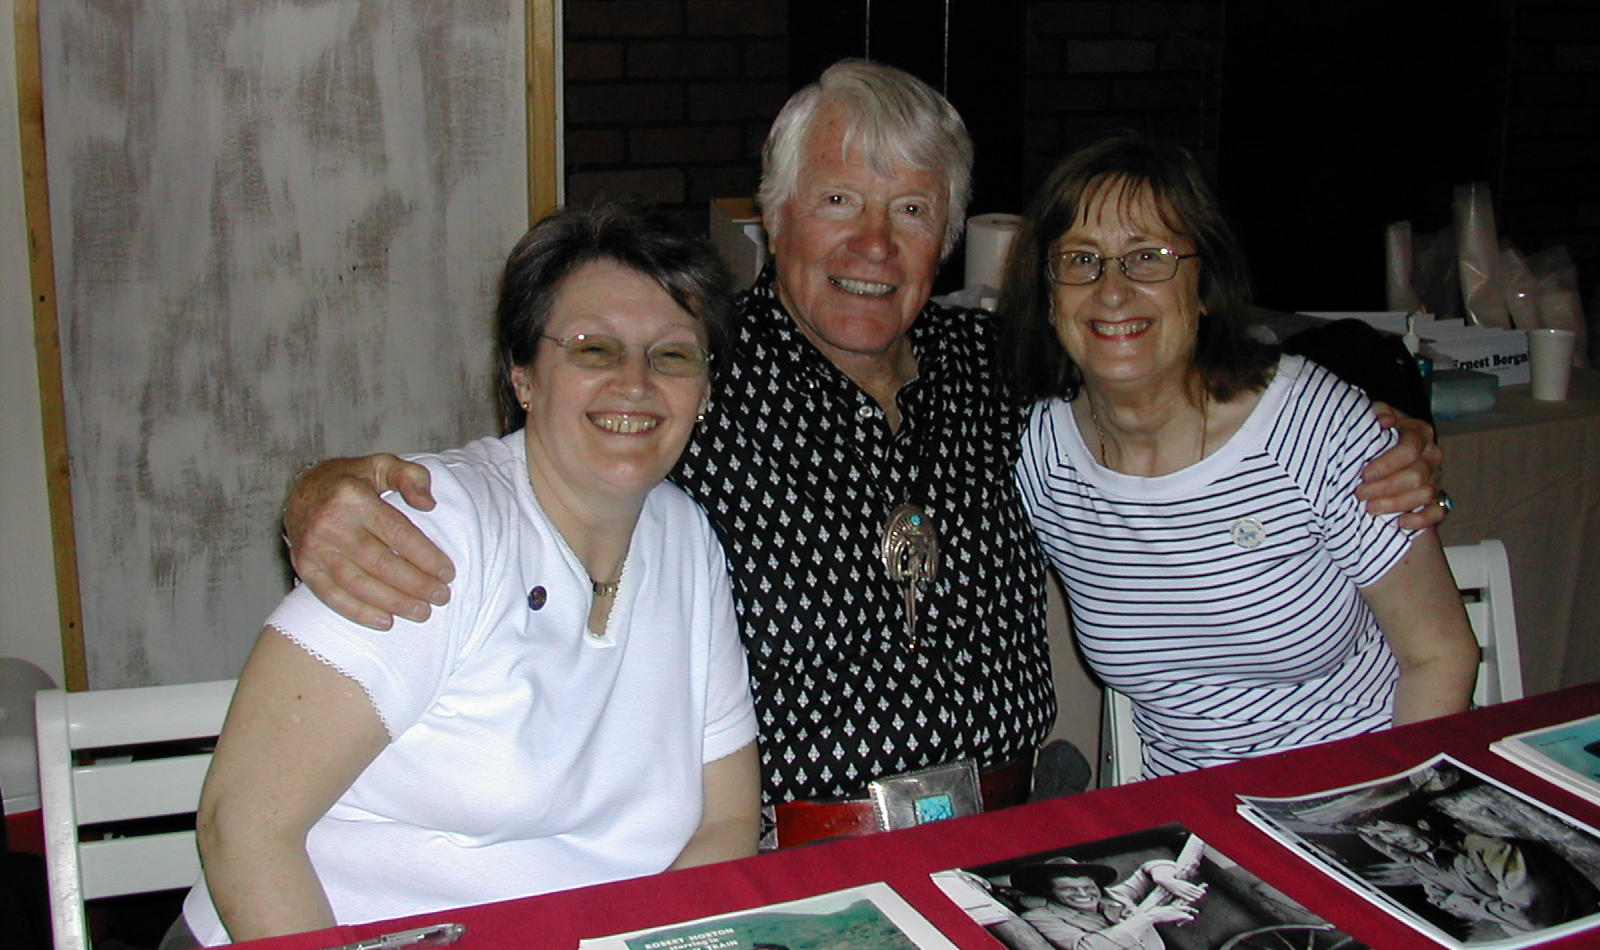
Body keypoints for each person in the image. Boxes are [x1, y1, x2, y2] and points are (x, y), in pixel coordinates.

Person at [280, 63, 1445, 836]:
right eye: (838, 201)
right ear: (770, 219)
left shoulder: (1006, 369)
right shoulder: (696, 388)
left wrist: (1384, 418)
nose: (874, 246)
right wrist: (332, 493)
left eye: (914, 209)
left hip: (1008, 831)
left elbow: (1200, 359)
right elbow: (535, 455)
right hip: (791, 847)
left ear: (953, 239)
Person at [178, 203, 759, 945]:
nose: (634, 383)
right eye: (592, 349)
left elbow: (727, 819)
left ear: (705, 392)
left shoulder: (687, 540)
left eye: (673, 355)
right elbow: (244, 826)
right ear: (523, 375)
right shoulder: (434, 528)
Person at [998, 131, 1478, 778]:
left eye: (1150, 256)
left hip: (1362, 792)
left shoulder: (1309, 427)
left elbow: (1441, 655)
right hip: (1191, 826)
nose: (1112, 290)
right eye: (1082, 260)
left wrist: (1394, 811)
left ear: (1202, 285)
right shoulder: (1040, 454)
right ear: (1049, 293)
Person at [1358, 816, 1600, 937]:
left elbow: (1529, 917)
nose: (1392, 840)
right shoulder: (1426, 862)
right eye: (1382, 838)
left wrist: (1462, 903)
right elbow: (1437, 899)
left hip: (1577, 931)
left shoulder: (1490, 849)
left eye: (1390, 830)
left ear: (1421, 824)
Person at [1009, 856, 1204, 950]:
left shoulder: (1117, 897)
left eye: (1088, 886)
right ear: (1048, 891)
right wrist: (1151, 917)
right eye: (1069, 889)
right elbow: (1088, 948)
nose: (1083, 894)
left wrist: (1166, 880)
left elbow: (1151, 866)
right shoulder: (1039, 917)